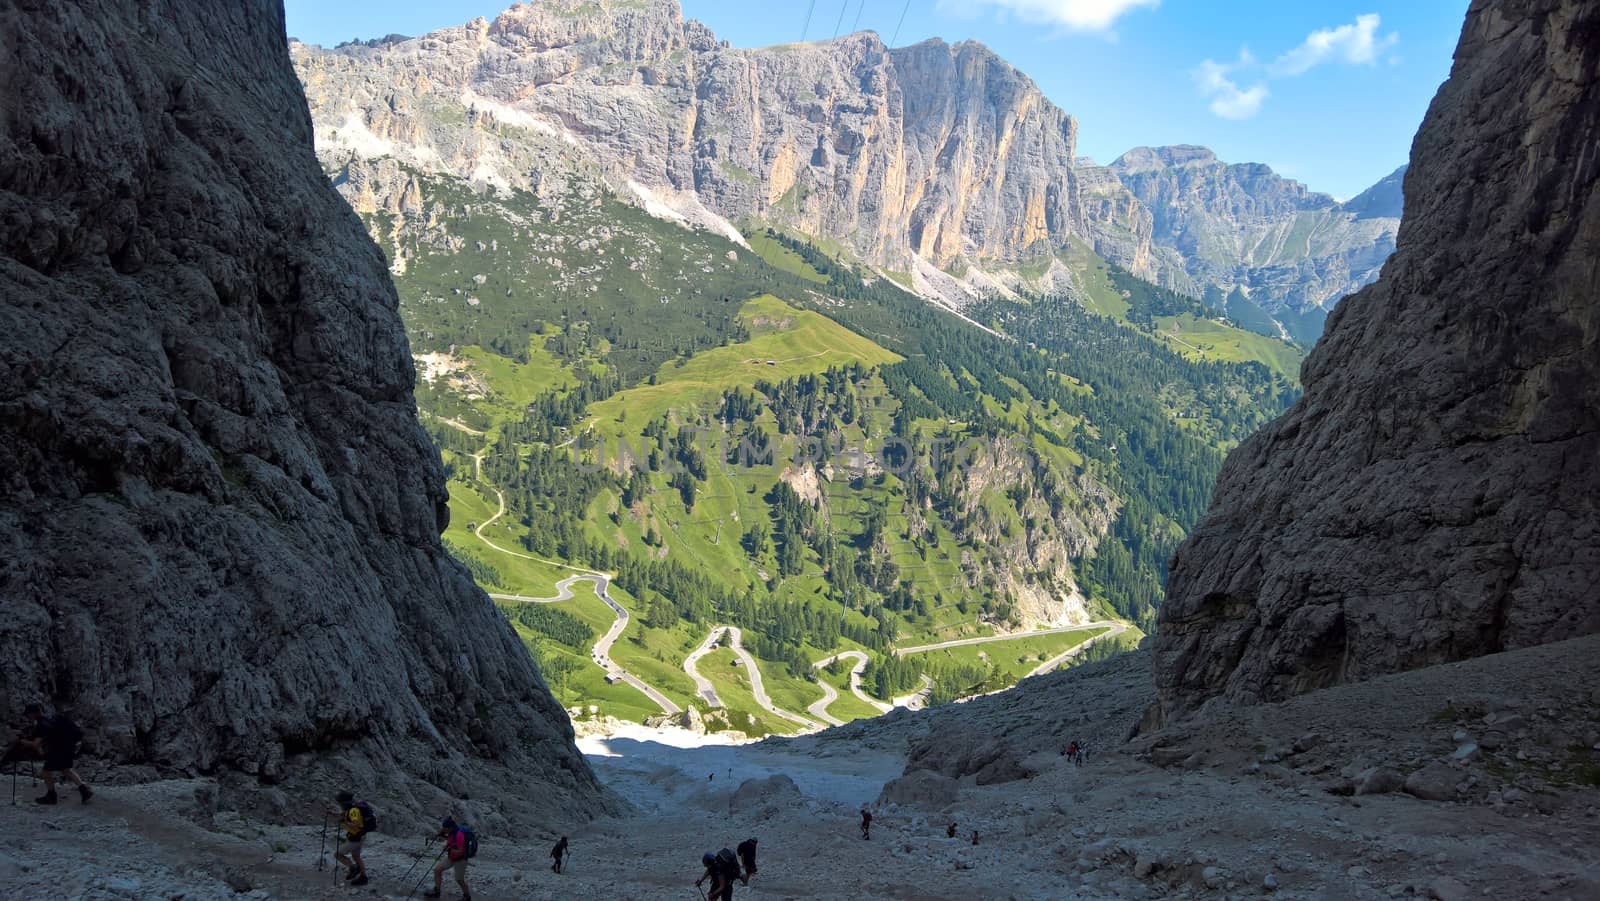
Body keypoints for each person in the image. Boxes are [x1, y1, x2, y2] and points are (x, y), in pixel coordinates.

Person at [19, 705, 90, 805]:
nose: (27, 717)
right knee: (66, 769)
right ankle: (85, 790)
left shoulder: (41, 724)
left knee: (46, 771)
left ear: (33, 713)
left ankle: (51, 796)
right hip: (69, 746)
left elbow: (36, 744)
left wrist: (21, 741)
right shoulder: (51, 717)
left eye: (28, 714)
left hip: (58, 749)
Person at [425, 817, 472, 900]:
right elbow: (448, 838)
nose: (443, 829)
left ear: (450, 827)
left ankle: (467, 896)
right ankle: (437, 891)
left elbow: (461, 851)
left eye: (445, 828)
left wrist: (449, 849)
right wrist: (441, 835)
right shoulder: (450, 832)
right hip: (451, 857)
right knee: (437, 870)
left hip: (461, 859)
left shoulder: (459, 835)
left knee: (459, 879)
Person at [332, 791, 372, 886]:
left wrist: (344, 822)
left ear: (344, 802)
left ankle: (353, 868)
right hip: (360, 836)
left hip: (355, 838)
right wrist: (332, 814)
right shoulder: (350, 809)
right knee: (356, 856)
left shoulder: (353, 811)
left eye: (340, 802)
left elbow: (356, 825)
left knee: (338, 854)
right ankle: (363, 877)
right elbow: (344, 816)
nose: (339, 804)